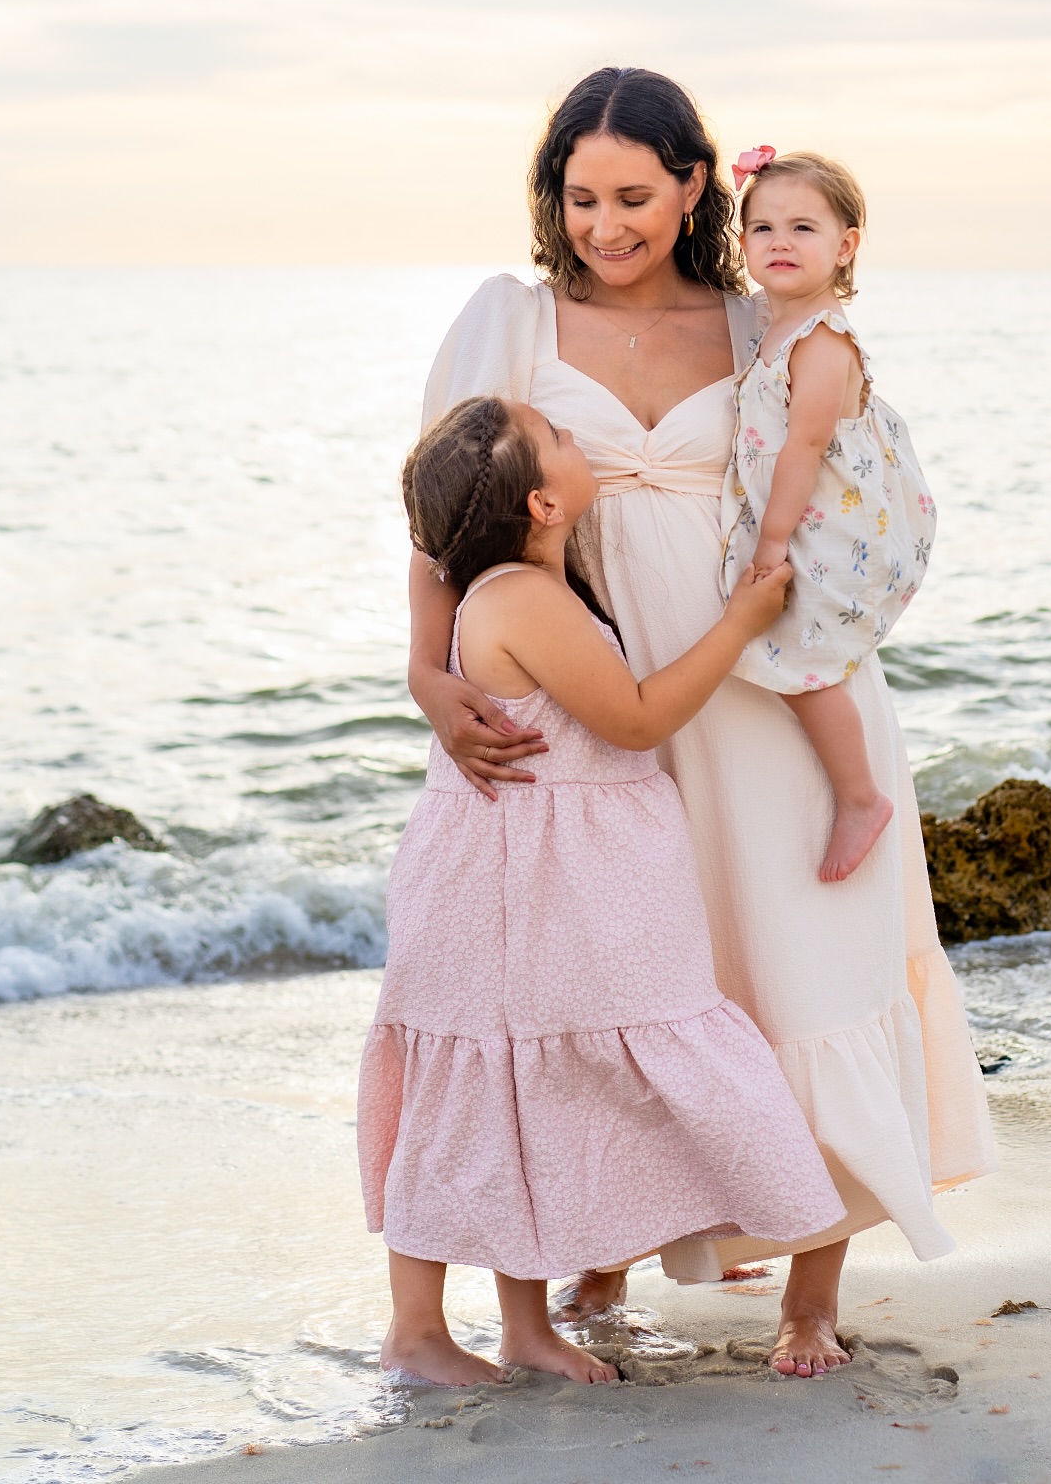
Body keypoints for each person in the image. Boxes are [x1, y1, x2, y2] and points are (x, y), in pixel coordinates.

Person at [408, 67, 995, 1379]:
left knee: (802, 957)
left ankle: (810, 1294)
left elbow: (851, 477)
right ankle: (602, 1256)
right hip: (598, 700)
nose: (607, 223)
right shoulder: (510, 322)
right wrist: (429, 676)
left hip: (772, 683)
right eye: (581, 196)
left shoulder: (758, 323)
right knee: (622, 980)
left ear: (693, 185)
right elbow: (441, 519)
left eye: (635, 194)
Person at [357, 394, 845, 1388]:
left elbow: (428, 545)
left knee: (512, 1090)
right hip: (512, 886)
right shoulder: (522, 601)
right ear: (542, 502)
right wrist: (744, 622)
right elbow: (633, 718)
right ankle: (414, 1333)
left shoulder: (509, 578)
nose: (586, 443)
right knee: (477, 1090)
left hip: (527, 873)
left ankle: (525, 1328)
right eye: (565, 441)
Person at [720, 148, 937, 884]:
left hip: (825, 527)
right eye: (763, 228)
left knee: (804, 654)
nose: (780, 242)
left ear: (844, 246)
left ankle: (858, 797)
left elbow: (806, 446)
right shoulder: (776, 324)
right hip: (809, 517)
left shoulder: (820, 340)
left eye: (803, 227)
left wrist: (771, 541)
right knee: (795, 647)